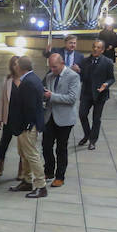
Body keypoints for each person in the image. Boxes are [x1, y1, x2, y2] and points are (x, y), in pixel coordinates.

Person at [7, 55, 47, 198]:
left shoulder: (28, 82)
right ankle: (27, 180)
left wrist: (25, 126)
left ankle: (41, 186)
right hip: (26, 125)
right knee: (24, 154)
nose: (15, 67)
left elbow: (29, 108)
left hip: (27, 127)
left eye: (16, 65)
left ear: (20, 67)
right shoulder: (33, 78)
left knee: (32, 155)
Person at [41, 54, 80, 187]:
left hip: (65, 119)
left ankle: (60, 176)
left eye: (55, 67)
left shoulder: (73, 76)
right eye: (50, 67)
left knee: (61, 148)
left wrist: (52, 96)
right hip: (50, 116)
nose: (52, 69)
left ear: (62, 63)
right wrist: (44, 96)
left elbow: (72, 98)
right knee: (46, 146)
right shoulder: (49, 76)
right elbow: (47, 95)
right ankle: (49, 171)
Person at [77, 39, 115, 149]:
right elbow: (82, 77)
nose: (95, 49)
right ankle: (87, 134)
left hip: (100, 95)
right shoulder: (85, 61)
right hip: (86, 93)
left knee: (96, 118)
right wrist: (79, 71)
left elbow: (111, 78)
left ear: (102, 50)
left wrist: (106, 85)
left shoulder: (107, 62)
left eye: (98, 47)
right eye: (94, 46)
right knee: (82, 114)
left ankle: (93, 140)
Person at [0, 54, 22, 177]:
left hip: (22, 118)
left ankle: (22, 169)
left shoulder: (26, 79)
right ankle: (1, 163)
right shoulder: (7, 79)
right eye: (14, 64)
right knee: (4, 142)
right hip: (9, 116)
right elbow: (2, 99)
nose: (16, 66)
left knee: (23, 145)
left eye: (18, 63)